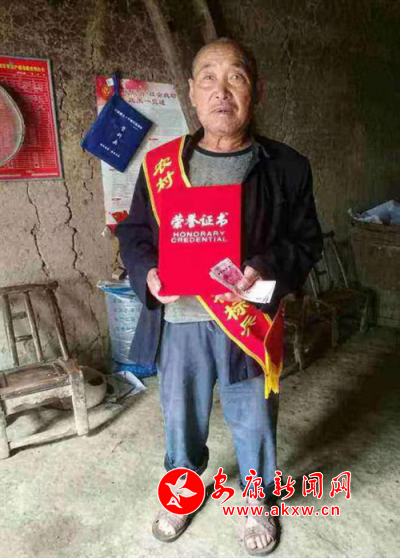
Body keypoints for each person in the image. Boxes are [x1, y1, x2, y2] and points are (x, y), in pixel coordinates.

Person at [116, 37, 322, 555]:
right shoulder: (160, 165)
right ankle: (181, 493)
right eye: (208, 77)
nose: (221, 90)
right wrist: (148, 273)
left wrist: (265, 267)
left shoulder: (287, 167)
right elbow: (135, 234)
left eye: (236, 77)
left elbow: (306, 242)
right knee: (180, 421)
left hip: (246, 322)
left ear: (256, 90)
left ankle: (257, 500)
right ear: (191, 91)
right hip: (180, 321)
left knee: (254, 419)